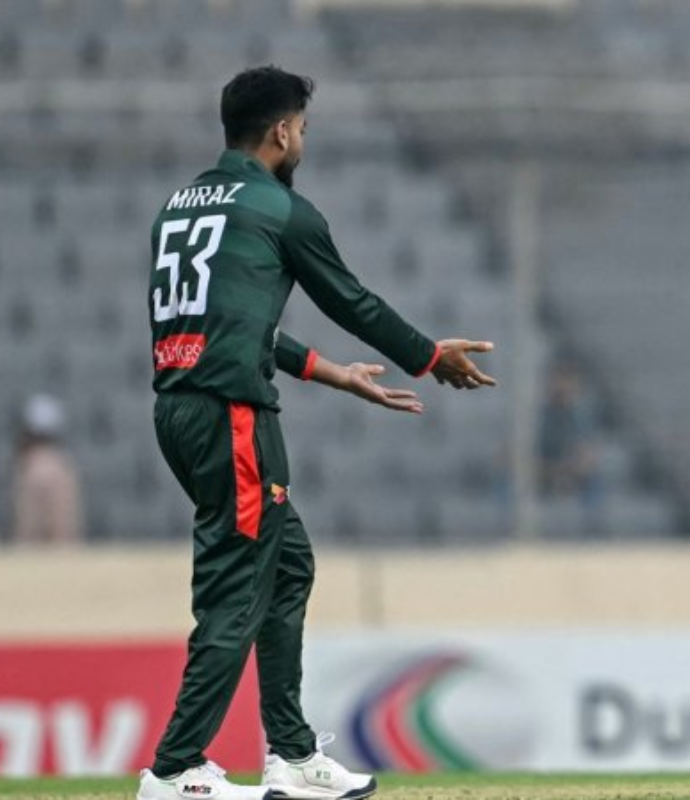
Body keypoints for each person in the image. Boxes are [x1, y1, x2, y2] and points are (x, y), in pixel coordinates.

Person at [138, 65, 496, 800]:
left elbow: (227, 325)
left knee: (288, 565)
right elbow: (352, 301)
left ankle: (294, 755)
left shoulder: (178, 208)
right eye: (301, 128)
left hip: (181, 411)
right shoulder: (279, 209)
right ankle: (175, 768)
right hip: (232, 415)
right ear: (280, 131)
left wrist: (332, 374)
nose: (302, 139)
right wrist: (429, 357)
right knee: (237, 586)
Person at [10, 393, 85, 545]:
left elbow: (30, 527)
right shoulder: (64, 465)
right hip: (67, 552)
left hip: (41, 554)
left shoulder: (33, 467)